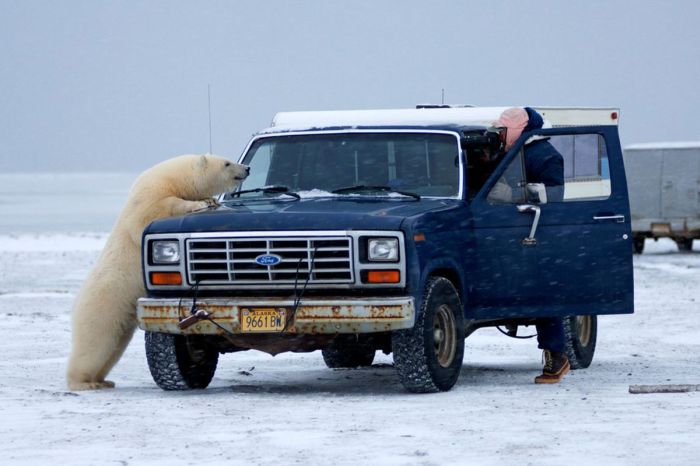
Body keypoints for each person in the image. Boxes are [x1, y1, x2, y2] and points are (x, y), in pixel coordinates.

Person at [493, 107, 569, 384]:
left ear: (519, 129)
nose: (500, 134)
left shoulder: (546, 155)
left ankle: (556, 356)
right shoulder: (508, 152)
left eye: (504, 129)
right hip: (503, 232)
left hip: (535, 233)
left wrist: (513, 194)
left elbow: (555, 195)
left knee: (541, 293)